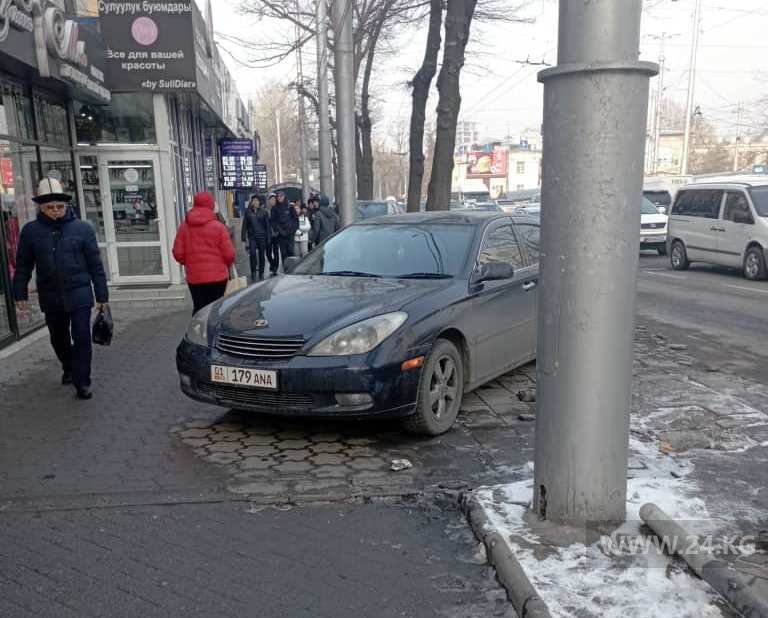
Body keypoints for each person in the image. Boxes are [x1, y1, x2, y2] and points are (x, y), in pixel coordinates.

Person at [13, 177, 109, 400]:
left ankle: (83, 382)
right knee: (58, 338)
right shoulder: (30, 232)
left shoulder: (83, 229)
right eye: (50, 207)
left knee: (82, 337)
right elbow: (23, 265)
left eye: (59, 206)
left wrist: (102, 295)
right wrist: (20, 293)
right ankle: (69, 366)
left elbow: (95, 265)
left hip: (79, 293)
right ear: (41, 207)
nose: (55, 210)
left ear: (66, 206)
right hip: (51, 294)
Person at [173, 191, 235, 314]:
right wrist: (225, 265)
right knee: (216, 309)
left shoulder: (184, 227)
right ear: (211, 205)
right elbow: (229, 254)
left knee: (199, 308)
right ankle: (214, 326)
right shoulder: (219, 227)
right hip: (218, 277)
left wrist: (191, 263)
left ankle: (198, 326)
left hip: (195, 278)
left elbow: (178, 253)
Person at [241, 195, 271, 281]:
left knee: (262, 255)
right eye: (254, 200)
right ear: (252, 202)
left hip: (262, 237)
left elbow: (267, 226)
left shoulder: (264, 212)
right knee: (252, 254)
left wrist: (268, 237)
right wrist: (243, 237)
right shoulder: (248, 212)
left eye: (257, 200)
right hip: (252, 237)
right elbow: (244, 225)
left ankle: (261, 273)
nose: (255, 202)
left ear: (259, 202)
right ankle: (253, 272)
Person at [270, 190, 298, 273]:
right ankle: (286, 270)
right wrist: (278, 230)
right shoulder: (274, 208)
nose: (280, 198)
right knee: (283, 253)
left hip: (290, 234)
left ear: (284, 196)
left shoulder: (290, 206)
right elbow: (273, 222)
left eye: (281, 196)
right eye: (278, 196)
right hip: (281, 235)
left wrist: (293, 230)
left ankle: (292, 269)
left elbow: (295, 219)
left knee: (291, 252)